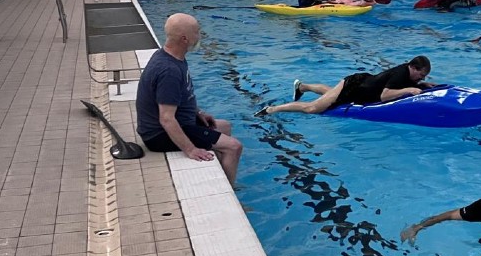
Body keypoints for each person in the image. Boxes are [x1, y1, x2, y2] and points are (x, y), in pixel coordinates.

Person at [136, 14, 243, 183]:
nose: (200, 35)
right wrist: (191, 149)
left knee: (225, 126)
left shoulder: (171, 56)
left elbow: (180, 96)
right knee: (234, 147)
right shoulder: (168, 70)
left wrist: (197, 111)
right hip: (159, 135)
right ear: (184, 39)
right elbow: (166, 119)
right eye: (197, 32)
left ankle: (221, 178)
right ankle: (232, 192)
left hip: (181, 122)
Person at [262, 55, 434, 115]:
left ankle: (302, 87)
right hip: (355, 85)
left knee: (331, 93)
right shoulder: (401, 73)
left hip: (360, 87)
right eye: (421, 74)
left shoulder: (408, 73)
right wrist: (409, 90)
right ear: (412, 67)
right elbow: (385, 96)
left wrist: (424, 84)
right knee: (312, 109)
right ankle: (271, 109)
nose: (420, 78)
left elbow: (406, 84)